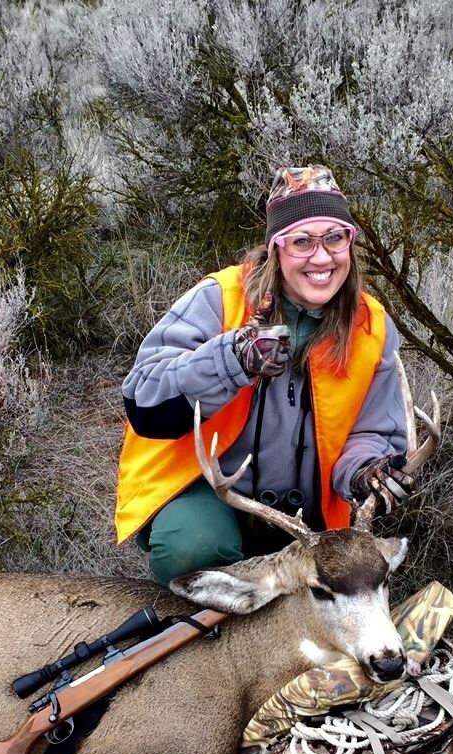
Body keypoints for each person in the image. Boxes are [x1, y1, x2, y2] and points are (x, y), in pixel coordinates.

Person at [115, 164, 413, 585]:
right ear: (276, 247)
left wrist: (366, 472)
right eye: (302, 241)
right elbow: (145, 400)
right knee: (193, 546)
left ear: (350, 243)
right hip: (207, 490)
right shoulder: (220, 298)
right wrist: (232, 359)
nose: (322, 257)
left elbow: (373, 431)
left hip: (305, 513)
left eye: (335, 238)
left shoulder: (371, 327)